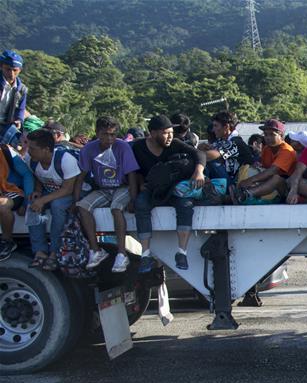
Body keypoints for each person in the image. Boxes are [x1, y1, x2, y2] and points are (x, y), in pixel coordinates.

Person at [131, 115, 206, 272]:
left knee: (185, 204)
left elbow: (199, 154)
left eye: (172, 132)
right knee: (141, 204)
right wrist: (138, 186)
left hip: (173, 188)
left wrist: (199, 171)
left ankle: (181, 252)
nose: (170, 136)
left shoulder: (175, 143)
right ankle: (145, 254)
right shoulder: (137, 147)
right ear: (152, 133)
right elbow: (132, 170)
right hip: (151, 189)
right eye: (166, 133)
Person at [75, 116, 140, 273]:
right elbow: (81, 176)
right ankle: (95, 249)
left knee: (116, 208)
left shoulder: (122, 147)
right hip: (103, 188)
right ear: (97, 133)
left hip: (122, 187)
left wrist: (133, 198)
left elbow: (131, 174)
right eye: (105, 134)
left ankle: (121, 253)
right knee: (83, 207)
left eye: (113, 134)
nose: (109, 138)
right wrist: (75, 200)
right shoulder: (88, 149)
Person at [23, 129, 77, 270]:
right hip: (52, 190)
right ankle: (39, 251)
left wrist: (43, 200)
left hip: (75, 191)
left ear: (46, 149)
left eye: (33, 149)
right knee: (32, 204)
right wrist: (38, 192)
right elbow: (39, 175)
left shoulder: (65, 160)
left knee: (57, 205)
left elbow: (68, 189)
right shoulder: (31, 159)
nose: (29, 152)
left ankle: (55, 251)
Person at [236, 119, 295, 203]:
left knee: (276, 179)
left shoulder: (286, 150)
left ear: (281, 135)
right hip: (270, 185)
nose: (267, 138)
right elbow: (264, 169)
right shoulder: (267, 148)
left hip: (288, 189)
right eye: (266, 134)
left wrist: (251, 180)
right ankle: (237, 193)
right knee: (247, 168)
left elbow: (273, 171)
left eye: (272, 134)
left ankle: (246, 194)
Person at [199, 111, 253, 189]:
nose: (213, 130)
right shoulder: (222, 140)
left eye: (216, 126)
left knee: (211, 160)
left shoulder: (235, 142)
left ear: (226, 127)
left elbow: (208, 156)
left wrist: (196, 153)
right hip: (227, 180)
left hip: (235, 184)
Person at [0, 142, 33, 260]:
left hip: (11, 189)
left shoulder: (6, 151)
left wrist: (27, 203)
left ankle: (7, 241)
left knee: (2, 205)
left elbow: (27, 175)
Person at [0, 50, 26, 146]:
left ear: (20, 70)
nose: (11, 73)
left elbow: (21, 109)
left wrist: (19, 120)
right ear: (1, 67)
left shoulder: (21, 89)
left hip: (6, 125)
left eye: (15, 70)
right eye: (8, 69)